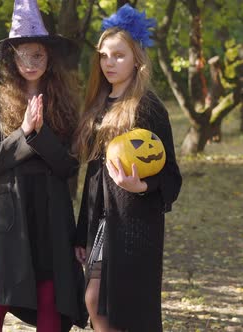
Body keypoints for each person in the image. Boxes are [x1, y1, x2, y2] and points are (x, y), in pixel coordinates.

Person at [0, 1, 87, 331]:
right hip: (9, 212)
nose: (30, 63)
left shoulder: (65, 102)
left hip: (52, 212)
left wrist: (41, 135)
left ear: (49, 57)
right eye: (22, 55)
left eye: (37, 54)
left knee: (51, 298)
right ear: (12, 58)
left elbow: (69, 166)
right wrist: (23, 133)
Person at [73, 4, 182, 332]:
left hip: (135, 223)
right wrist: (81, 232)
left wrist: (142, 187)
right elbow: (93, 177)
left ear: (137, 59)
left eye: (118, 55)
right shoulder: (98, 106)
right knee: (94, 300)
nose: (109, 62)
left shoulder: (148, 108)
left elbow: (172, 176)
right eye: (104, 56)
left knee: (125, 311)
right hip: (102, 221)